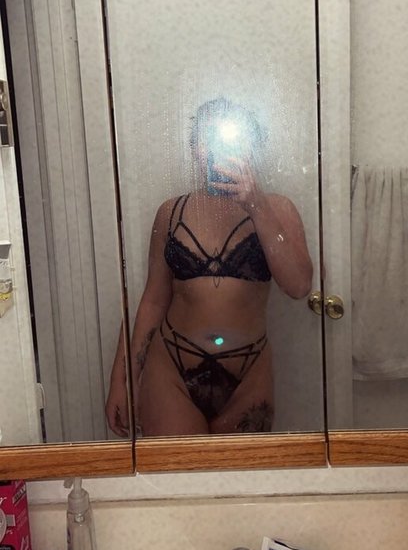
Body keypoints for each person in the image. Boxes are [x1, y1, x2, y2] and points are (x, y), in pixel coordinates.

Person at [106, 98, 313, 437]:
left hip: (249, 373)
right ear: (193, 149)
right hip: (170, 370)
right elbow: (152, 302)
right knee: (178, 471)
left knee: (238, 471)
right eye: (206, 138)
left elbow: (299, 285)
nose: (215, 148)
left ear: (251, 146)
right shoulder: (170, 213)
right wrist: (121, 381)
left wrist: (255, 205)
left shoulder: (278, 209)